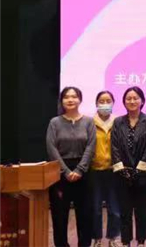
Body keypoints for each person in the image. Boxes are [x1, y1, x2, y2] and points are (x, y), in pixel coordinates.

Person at [46, 86, 96, 247]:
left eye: (74, 96)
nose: (70, 100)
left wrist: (80, 169)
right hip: (60, 172)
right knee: (59, 215)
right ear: (62, 100)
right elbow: (51, 148)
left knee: (85, 214)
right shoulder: (54, 122)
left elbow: (91, 146)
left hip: (84, 171)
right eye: (66, 97)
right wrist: (66, 171)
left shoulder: (89, 122)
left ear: (80, 100)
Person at [112, 86, 146, 247]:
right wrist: (122, 169)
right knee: (124, 211)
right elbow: (114, 147)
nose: (132, 101)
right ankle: (125, 242)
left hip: (142, 175)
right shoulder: (118, 122)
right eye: (128, 98)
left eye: (135, 98)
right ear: (124, 102)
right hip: (122, 174)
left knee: (141, 211)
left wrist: (140, 170)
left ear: (142, 101)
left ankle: (141, 242)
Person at [90, 90, 121, 247]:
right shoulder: (89, 122)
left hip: (113, 171)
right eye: (101, 101)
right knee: (95, 208)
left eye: (108, 101)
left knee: (114, 208)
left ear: (113, 103)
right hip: (94, 171)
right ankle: (96, 238)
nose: (104, 104)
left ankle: (113, 237)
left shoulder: (118, 122)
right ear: (96, 103)